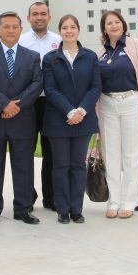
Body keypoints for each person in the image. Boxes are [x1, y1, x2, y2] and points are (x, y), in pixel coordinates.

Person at [0, 12, 43, 226]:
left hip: (22, 119)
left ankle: (23, 209)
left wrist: (17, 106)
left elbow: (37, 84)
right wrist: (4, 104)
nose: (11, 30)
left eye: (15, 26)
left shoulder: (32, 56)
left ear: (21, 29)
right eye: (6, 27)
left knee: (23, 167)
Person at [97, 11, 138, 219]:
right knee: (111, 154)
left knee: (132, 154)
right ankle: (113, 200)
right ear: (104, 28)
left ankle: (128, 201)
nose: (113, 25)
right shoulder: (101, 53)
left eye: (117, 22)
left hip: (132, 103)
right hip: (107, 104)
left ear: (123, 25)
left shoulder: (136, 46)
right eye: (109, 23)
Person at [41, 14, 101, 224]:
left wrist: (81, 111)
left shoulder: (90, 56)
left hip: (83, 121)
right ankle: (62, 209)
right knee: (60, 165)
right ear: (60, 31)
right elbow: (50, 89)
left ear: (78, 30)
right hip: (59, 121)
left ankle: (77, 210)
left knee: (78, 165)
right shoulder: (50, 58)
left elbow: (95, 87)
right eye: (65, 27)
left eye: (72, 27)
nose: (69, 30)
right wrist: (69, 112)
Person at [19, 1, 62, 211]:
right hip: (28, 103)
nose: (39, 17)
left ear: (49, 17)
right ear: (28, 18)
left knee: (51, 152)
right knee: (25, 152)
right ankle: (27, 197)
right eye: (35, 14)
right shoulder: (21, 41)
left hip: (52, 104)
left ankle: (51, 198)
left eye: (43, 14)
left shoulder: (59, 40)